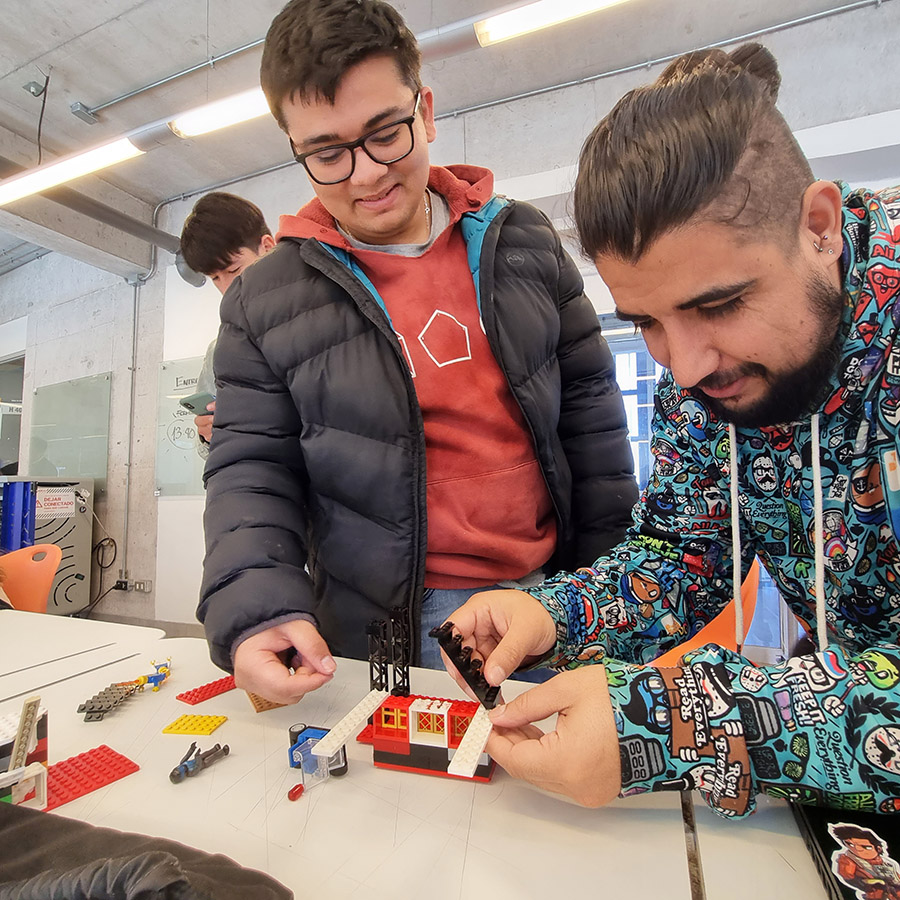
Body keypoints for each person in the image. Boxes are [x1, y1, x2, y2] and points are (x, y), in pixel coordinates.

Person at [441, 43, 900, 818]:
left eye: (719, 305)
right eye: (648, 321)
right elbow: (686, 556)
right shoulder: (707, 371)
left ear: (817, 226)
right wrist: (555, 614)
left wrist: (676, 724)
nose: (684, 365)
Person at [198, 0, 637, 703]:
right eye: (327, 153)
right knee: (400, 801)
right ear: (296, 150)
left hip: (549, 604)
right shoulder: (262, 301)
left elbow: (594, 424)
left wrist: (617, 597)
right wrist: (260, 608)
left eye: (386, 134)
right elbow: (251, 472)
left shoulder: (523, 241)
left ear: (425, 111)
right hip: (382, 621)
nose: (366, 174)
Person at [179, 192, 275, 454]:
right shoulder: (218, 351)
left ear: (267, 246)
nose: (227, 288)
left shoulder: (322, 314)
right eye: (215, 278)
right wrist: (208, 435)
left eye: (234, 270)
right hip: (256, 484)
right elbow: (207, 452)